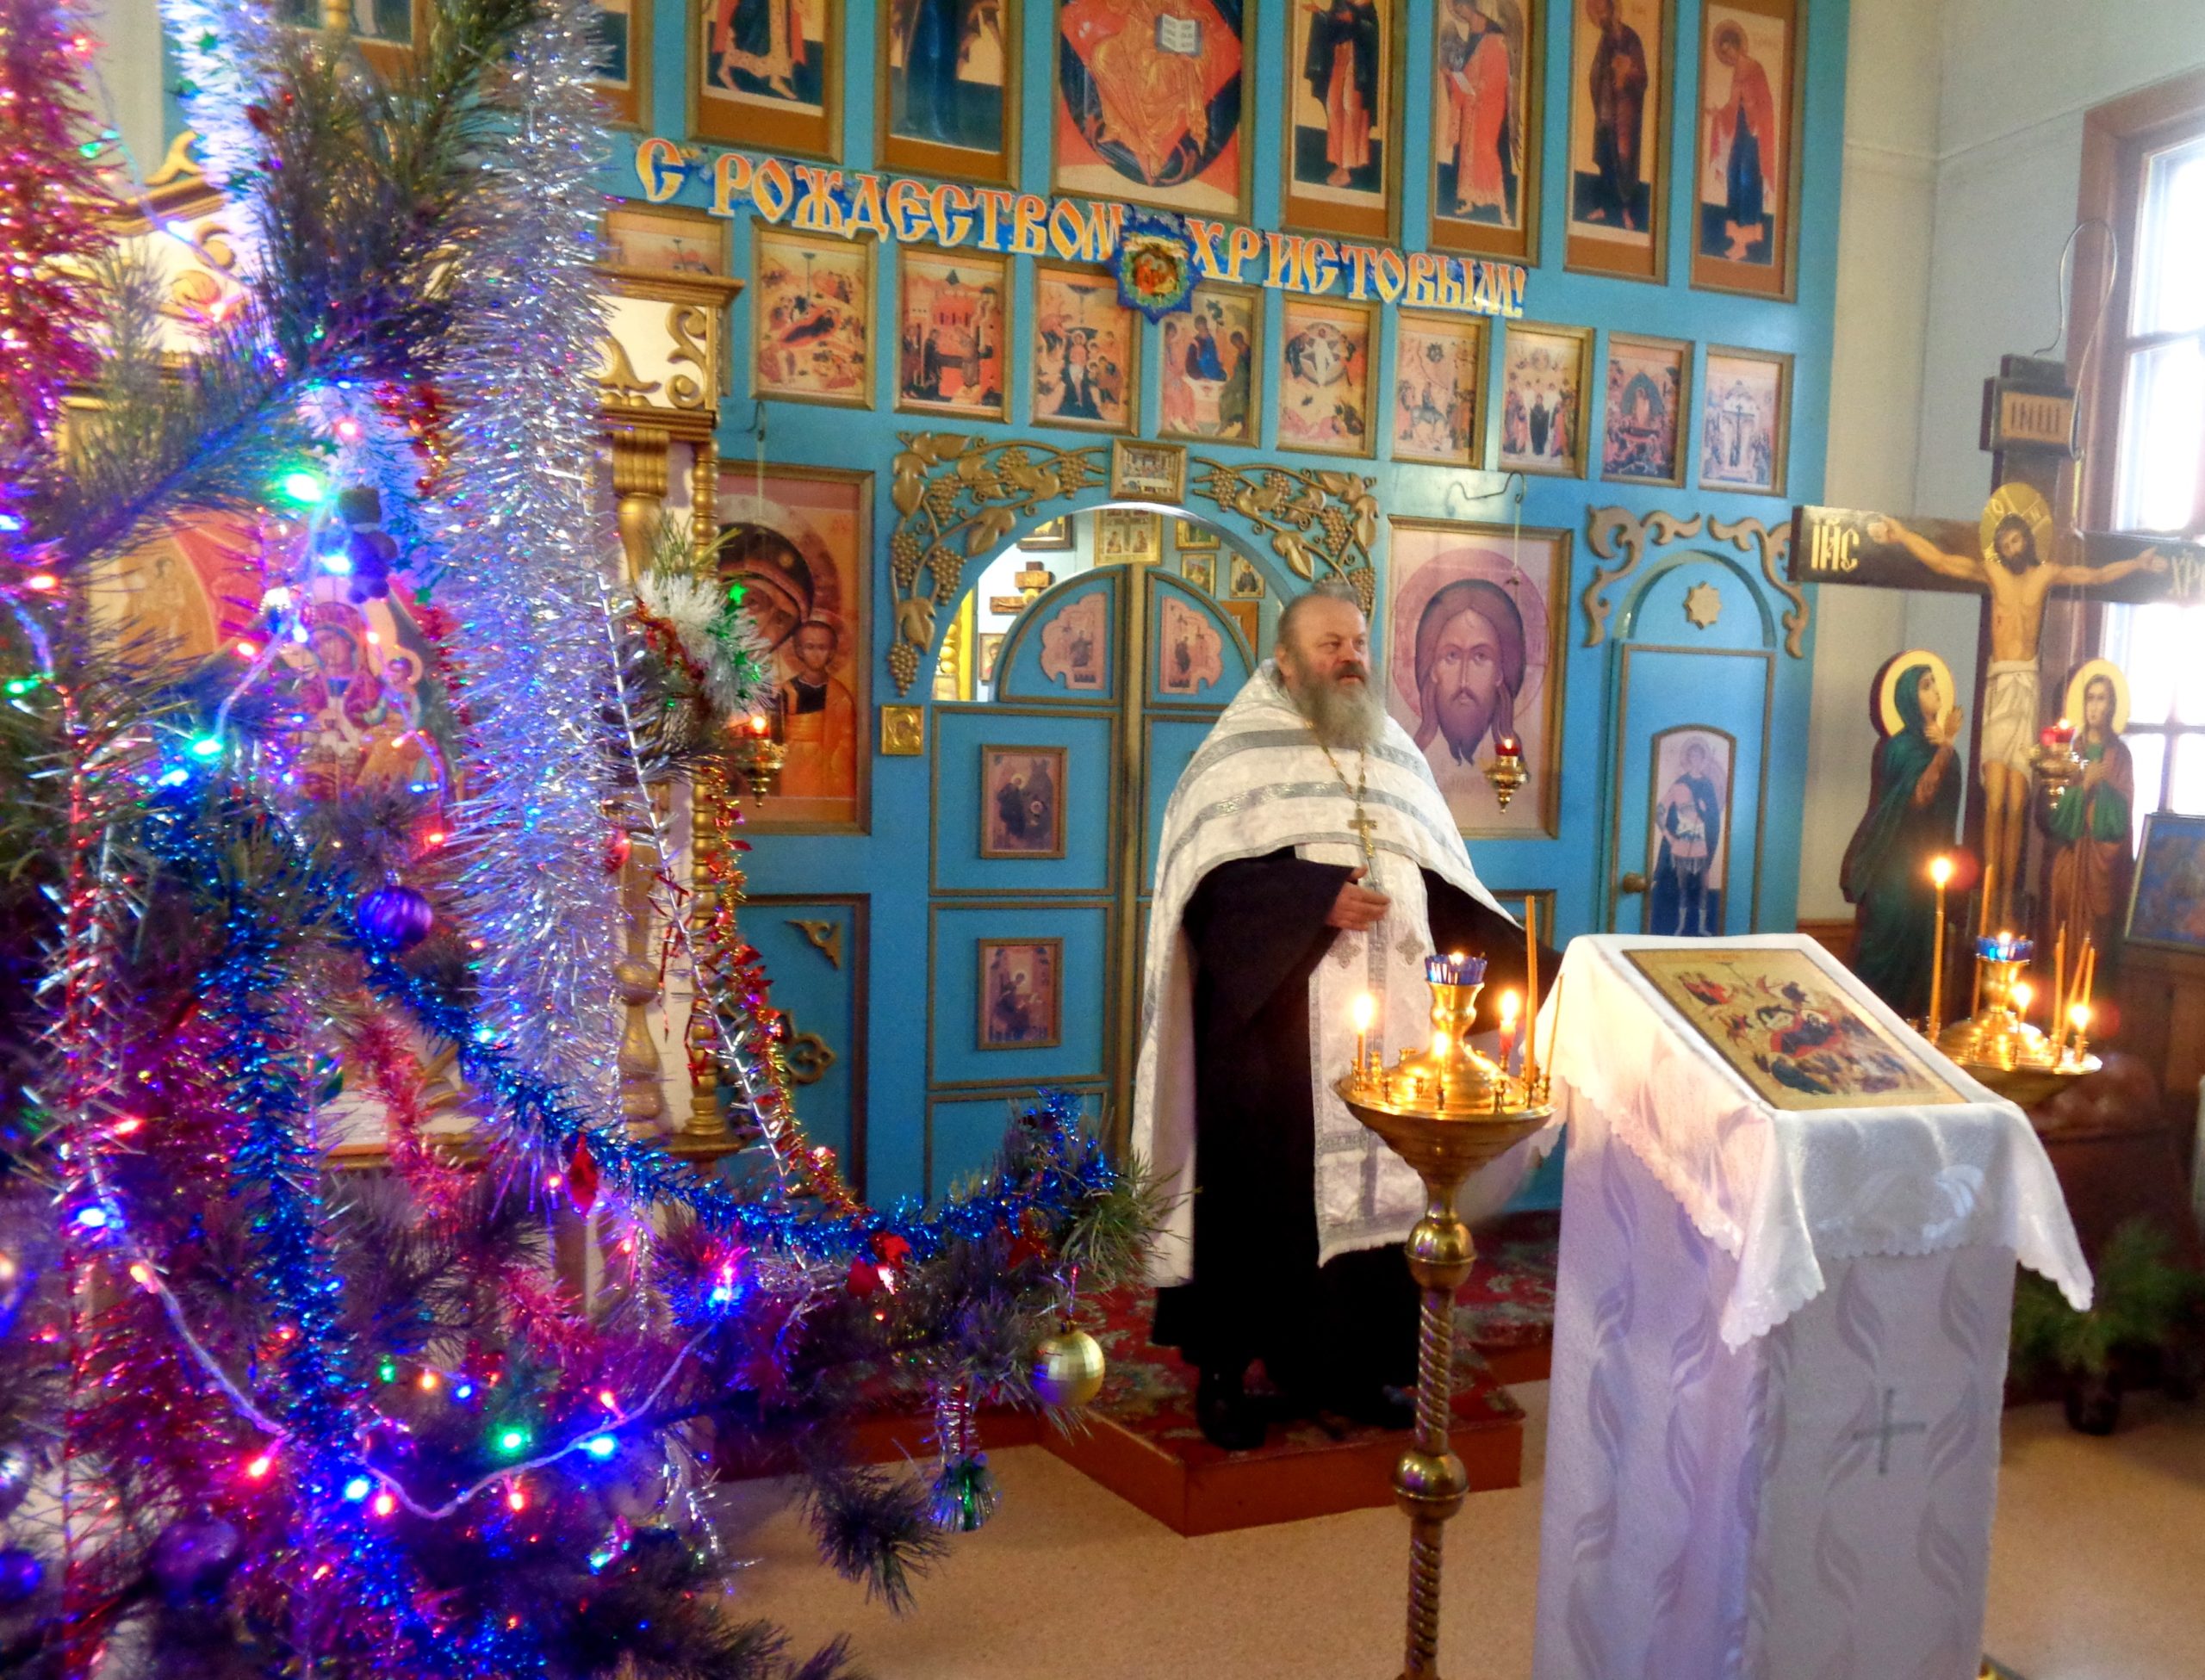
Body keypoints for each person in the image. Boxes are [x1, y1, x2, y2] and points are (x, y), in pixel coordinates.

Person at [1132, 581, 1550, 1451]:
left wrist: (1531, 962)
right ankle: (1225, 1373)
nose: (1348, 658)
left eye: (1357, 643)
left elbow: (1440, 883)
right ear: (1285, 661)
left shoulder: (1393, 753)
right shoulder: (1232, 757)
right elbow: (1206, 895)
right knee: (1256, 1204)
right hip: (1271, 1044)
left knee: (1387, 1194)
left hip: (1393, 1029)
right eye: (1329, 645)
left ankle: (1356, 1369)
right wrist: (1314, 899)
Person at [1866, 492, 2166, 930]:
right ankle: (1989, 894)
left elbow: (2096, 574)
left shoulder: (2046, 575)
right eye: (2004, 543)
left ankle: (2008, 893)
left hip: (2026, 685)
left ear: (2027, 540)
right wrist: (1902, 536)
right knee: (1994, 797)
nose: (2010, 548)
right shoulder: (1991, 574)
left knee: (2018, 799)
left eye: (2015, 540)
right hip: (2000, 685)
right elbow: (1943, 562)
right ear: (1999, 549)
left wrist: (2137, 564)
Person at [1840, 662, 1964, 1020]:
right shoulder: (1898, 748)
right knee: (1884, 945)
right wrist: (1946, 747)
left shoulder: (1947, 753)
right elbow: (1920, 797)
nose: (1936, 692)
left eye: (1936, 684)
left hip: (1928, 867)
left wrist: (1946, 749)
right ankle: (1865, 1020)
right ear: (1909, 696)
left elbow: (1945, 812)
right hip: (1895, 865)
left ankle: (1914, 1026)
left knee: (1923, 952)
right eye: (1926, 686)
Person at [2047, 671, 2135, 959]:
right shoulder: (2071, 752)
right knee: (2064, 937)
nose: (2095, 706)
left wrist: (2102, 785)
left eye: (2102, 699)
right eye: (2090, 699)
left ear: (2111, 706)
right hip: (2072, 858)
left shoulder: (2120, 755)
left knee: (2096, 942)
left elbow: (2121, 817)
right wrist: (2085, 785)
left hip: (2102, 864)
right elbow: (2056, 815)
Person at [1410, 576, 1525, 776]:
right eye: (1452, 656)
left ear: (1500, 673)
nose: (1463, 680)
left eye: (1480, 656)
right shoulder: (1408, 751)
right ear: (1433, 670)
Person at [1703, 19, 1776, 260]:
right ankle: (1736, 239)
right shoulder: (1737, 73)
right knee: (1733, 173)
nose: (1729, 56)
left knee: (1747, 177)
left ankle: (1746, 239)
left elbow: (1767, 104)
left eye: (1729, 50)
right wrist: (1718, 113)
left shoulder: (1756, 69)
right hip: (1741, 128)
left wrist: (1755, 118)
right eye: (1724, 53)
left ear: (1737, 47)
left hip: (1754, 132)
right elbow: (1733, 105)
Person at [1439, 0, 1513, 217]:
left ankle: (1501, 206)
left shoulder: (1494, 36)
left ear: (1468, 6)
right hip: (1472, 108)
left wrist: (1460, 79)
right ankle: (1469, 199)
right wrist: (1452, 75)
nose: (1460, 14)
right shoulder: (1472, 33)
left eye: (1460, 9)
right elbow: (1468, 74)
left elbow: (1496, 77)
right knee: (1467, 154)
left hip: (1489, 108)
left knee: (1486, 152)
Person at [1581, 0, 1649, 230]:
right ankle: (1604, 206)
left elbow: (1642, 77)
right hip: (1606, 110)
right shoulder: (1605, 40)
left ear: (1613, 11)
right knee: (1606, 158)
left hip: (1624, 115)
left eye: (1604, 12)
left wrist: (1626, 70)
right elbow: (1597, 72)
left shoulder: (1631, 38)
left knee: (1624, 162)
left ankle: (1625, 211)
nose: (1602, 18)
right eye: (1598, 14)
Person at [1301, 0, 1382, 188]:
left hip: (1357, 63)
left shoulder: (1367, 5)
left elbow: (1370, 31)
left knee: (1349, 107)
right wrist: (1320, 14)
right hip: (1339, 56)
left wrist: (1354, 19)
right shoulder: (1340, 2)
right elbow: (1332, 24)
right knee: (1333, 105)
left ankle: (1347, 167)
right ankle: (1339, 162)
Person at [775, 617, 857, 801]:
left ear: (832, 652)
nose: (816, 654)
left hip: (828, 764)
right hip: (793, 763)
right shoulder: (788, 691)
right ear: (799, 651)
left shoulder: (840, 695)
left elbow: (847, 737)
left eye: (822, 648)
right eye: (810, 647)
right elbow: (776, 733)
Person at [1654, 739, 1724, 935]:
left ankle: (1702, 927)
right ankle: (1680, 926)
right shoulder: (1680, 784)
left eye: (1699, 757)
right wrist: (1668, 835)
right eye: (1692, 756)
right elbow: (1659, 810)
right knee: (1682, 888)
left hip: (1702, 844)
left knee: (1703, 888)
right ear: (1688, 759)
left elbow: (1713, 816)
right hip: (1682, 845)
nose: (1695, 760)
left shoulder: (1708, 784)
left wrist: (1704, 810)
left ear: (1703, 760)